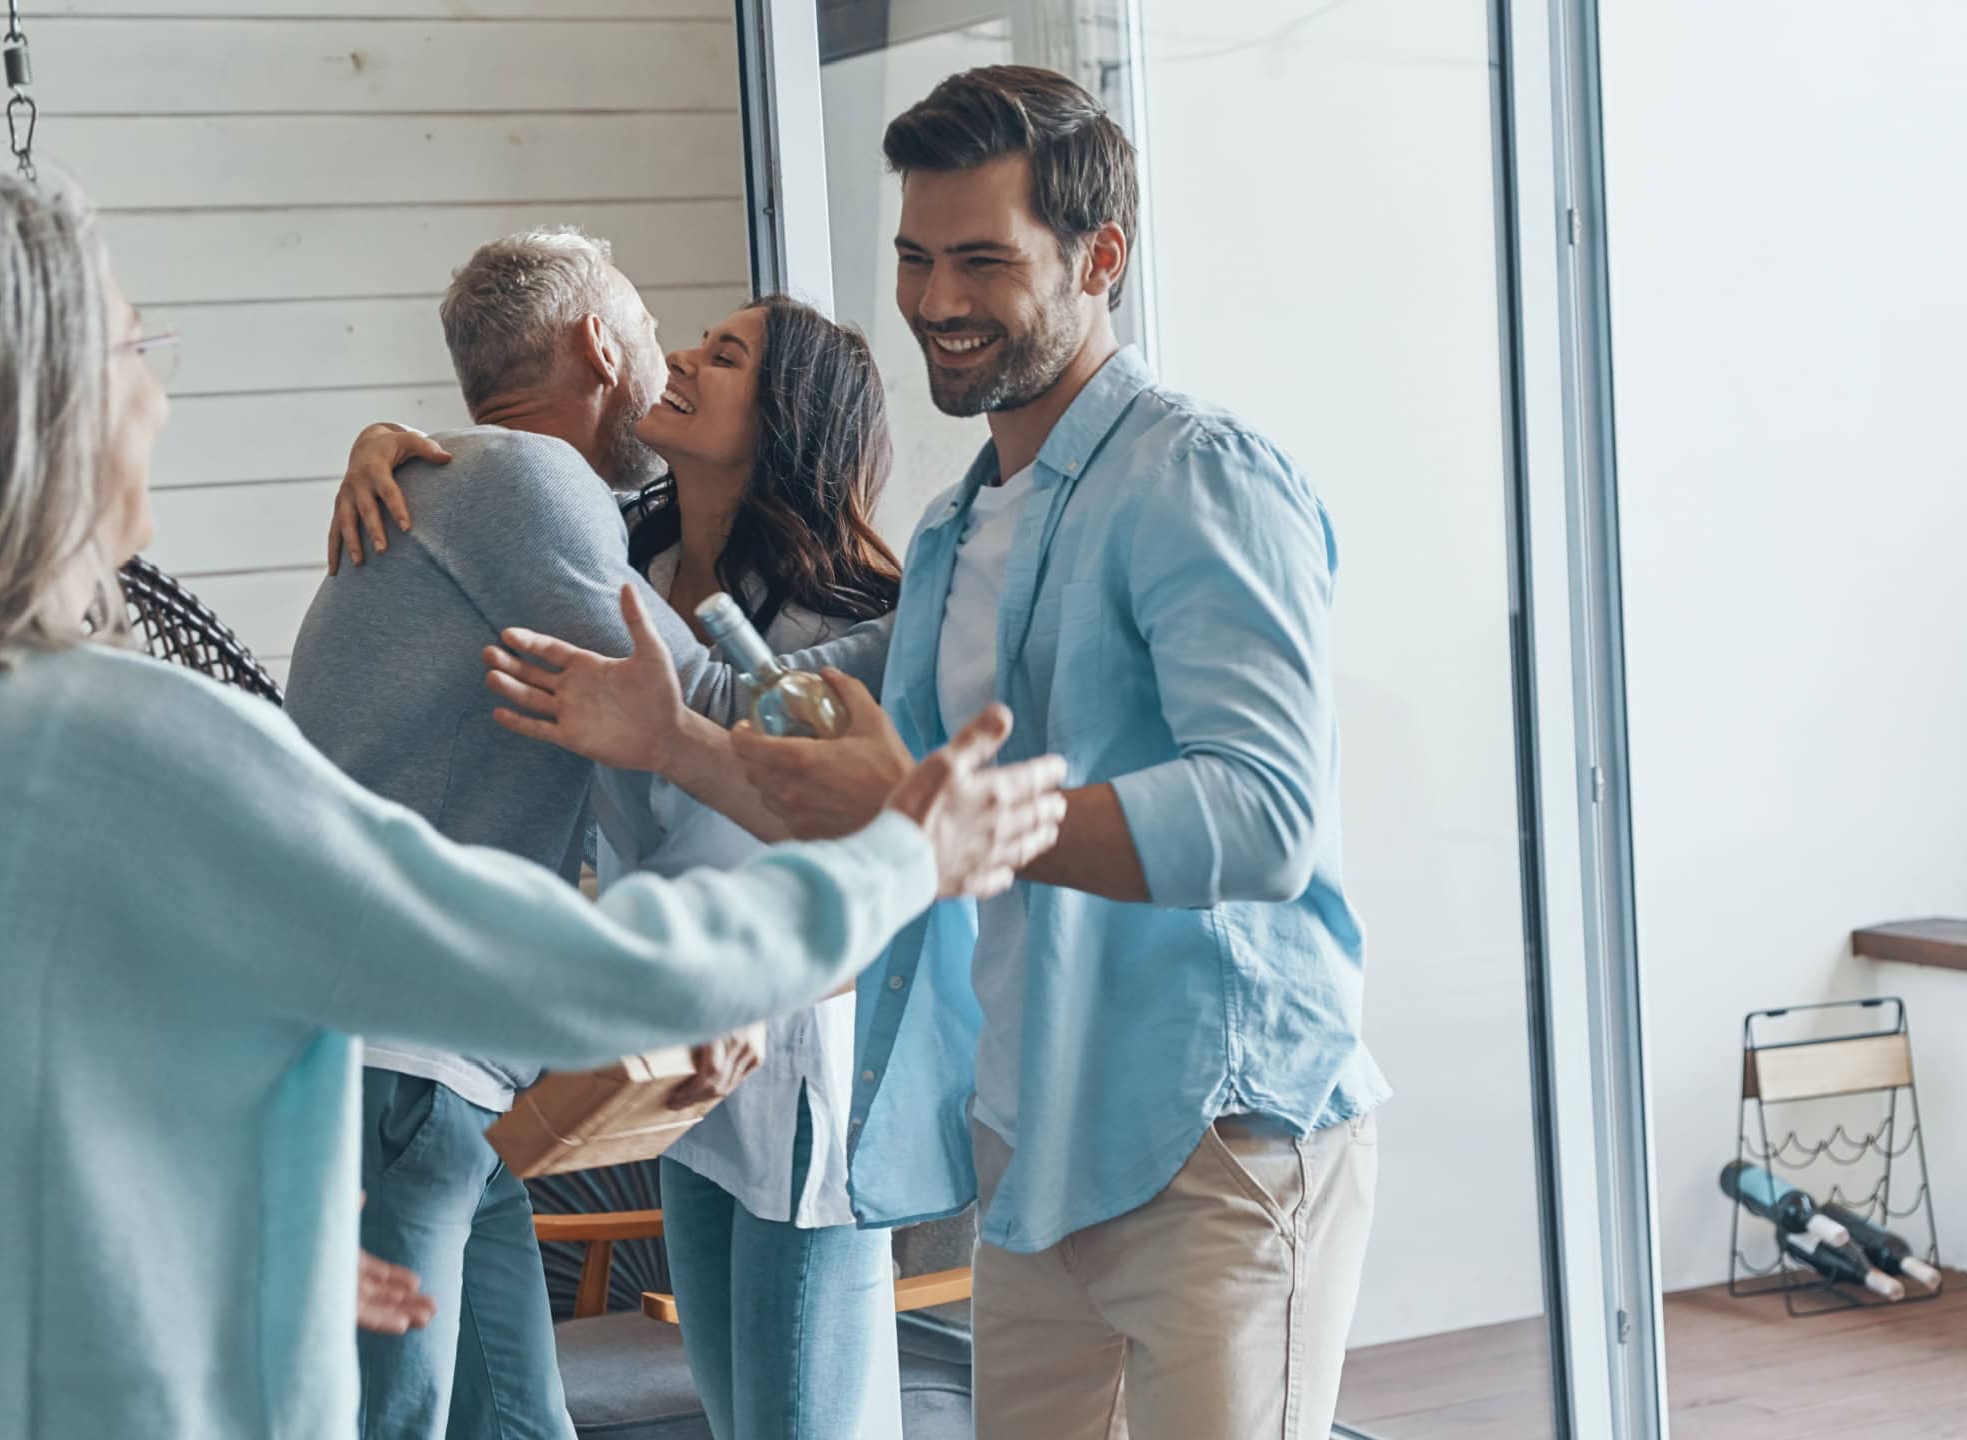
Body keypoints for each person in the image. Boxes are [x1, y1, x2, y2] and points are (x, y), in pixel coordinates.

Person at [0, 171, 1067, 1440]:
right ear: (34, 408)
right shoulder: (113, 737)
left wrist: (225, 1231)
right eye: (137, 348)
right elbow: (575, 965)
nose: (156, 398)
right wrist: (904, 856)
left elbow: (6, 1107)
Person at [348, 64, 1390, 1438]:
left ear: (1100, 260)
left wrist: (925, 812)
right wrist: (670, 735)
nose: (936, 299)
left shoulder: (1197, 475)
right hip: (1034, 1150)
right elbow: (798, 741)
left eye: (981, 260)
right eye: (914, 257)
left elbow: (1264, 819)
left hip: (1220, 1138)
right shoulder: (957, 532)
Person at [287, 227, 694, 1440]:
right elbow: (695, 701)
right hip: (392, 1066)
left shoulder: (457, 480)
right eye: (654, 331)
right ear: (599, 345)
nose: (668, 359)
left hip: (436, 1084)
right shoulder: (528, 484)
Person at [600, 296, 908, 1439]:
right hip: (678, 1061)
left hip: (793, 1067)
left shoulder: (847, 626)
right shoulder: (625, 565)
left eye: (722, 355)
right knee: (731, 1416)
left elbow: (867, 852)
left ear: (782, 419)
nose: (680, 357)